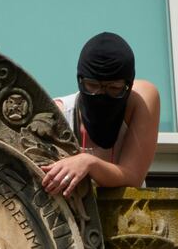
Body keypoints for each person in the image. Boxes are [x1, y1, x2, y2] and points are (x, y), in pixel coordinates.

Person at [41, 32, 159, 197]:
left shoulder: (141, 100)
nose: (101, 95)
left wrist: (89, 163)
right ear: (80, 80)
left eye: (114, 88)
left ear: (128, 84)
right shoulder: (56, 116)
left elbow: (133, 177)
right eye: (92, 85)